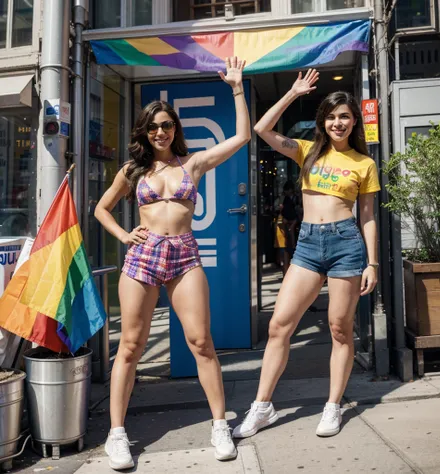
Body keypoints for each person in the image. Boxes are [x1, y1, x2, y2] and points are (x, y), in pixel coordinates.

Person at [94, 56, 250, 471]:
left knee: (201, 341)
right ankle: (117, 434)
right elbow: (101, 210)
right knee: (130, 346)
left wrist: (236, 87)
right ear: (145, 132)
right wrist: (125, 235)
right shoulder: (133, 169)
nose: (161, 131)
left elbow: (240, 136)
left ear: (176, 129)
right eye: (154, 126)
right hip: (143, 256)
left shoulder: (192, 164)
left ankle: (220, 425)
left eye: (167, 125)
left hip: (184, 254)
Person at [233, 70, 380, 440]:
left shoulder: (364, 164)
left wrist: (372, 262)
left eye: (344, 116)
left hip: (347, 244)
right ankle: (262, 406)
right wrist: (293, 93)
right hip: (309, 245)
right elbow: (263, 129)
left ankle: (333, 406)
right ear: (323, 122)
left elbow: (368, 216)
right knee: (279, 325)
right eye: (331, 117)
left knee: (339, 329)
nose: (338, 122)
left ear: (354, 121)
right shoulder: (306, 151)